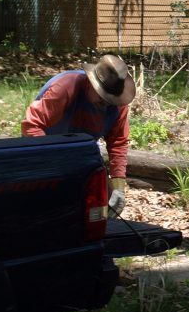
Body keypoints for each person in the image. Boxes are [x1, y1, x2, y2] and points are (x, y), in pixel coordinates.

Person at [22, 54, 135, 216]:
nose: (106, 103)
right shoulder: (65, 87)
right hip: (44, 151)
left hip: (82, 153)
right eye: (102, 96)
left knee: (105, 203)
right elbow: (31, 126)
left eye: (110, 99)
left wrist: (118, 187)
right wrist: (54, 165)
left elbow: (118, 142)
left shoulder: (117, 106)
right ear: (91, 83)